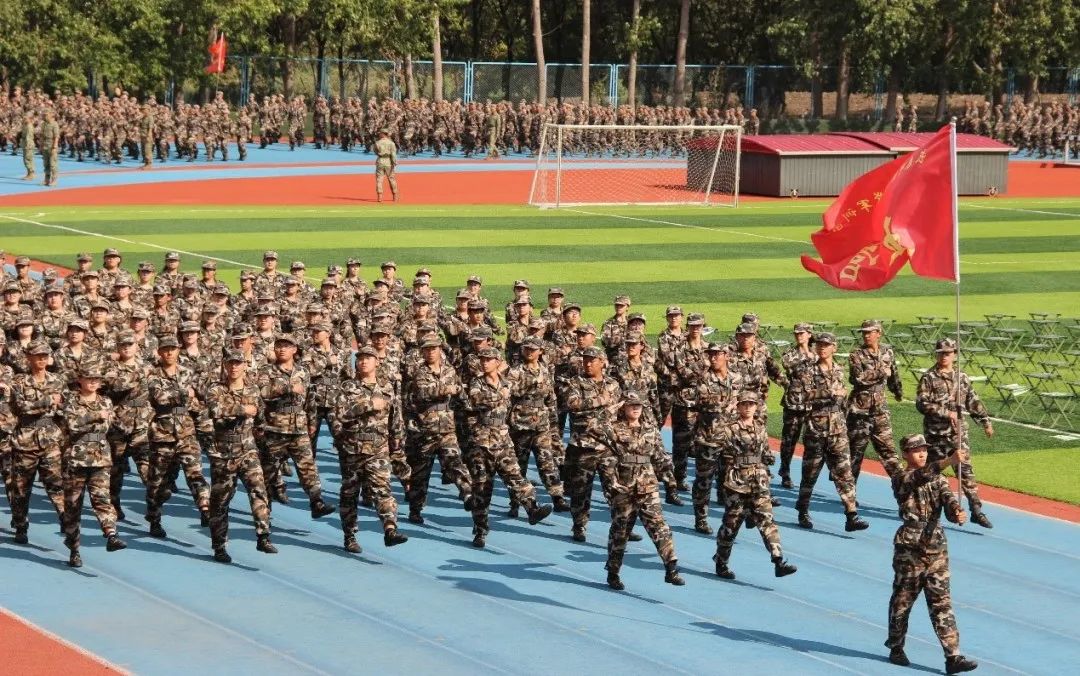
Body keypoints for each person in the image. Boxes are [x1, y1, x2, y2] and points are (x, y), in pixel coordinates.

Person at [885, 433, 978, 674]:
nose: (922, 453)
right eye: (916, 450)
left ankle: (953, 656)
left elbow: (947, 500)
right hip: (910, 550)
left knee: (942, 603)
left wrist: (956, 512)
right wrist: (949, 460)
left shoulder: (938, 478)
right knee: (903, 601)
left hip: (936, 548)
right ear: (905, 454)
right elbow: (920, 476)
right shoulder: (901, 478)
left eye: (924, 449)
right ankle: (896, 645)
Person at [461, 347, 553, 547]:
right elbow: (477, 400)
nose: (484, 363)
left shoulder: (506, 383)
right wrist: (501, 395)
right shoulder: (477, 383)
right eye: (482, 360)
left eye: (488, 360)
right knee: (482, 488)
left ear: (498, 362)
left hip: (503, 440)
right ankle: (480, 530)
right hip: (482, 443)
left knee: (516, 477)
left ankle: (532, 509)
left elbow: (518, 399)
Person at [332, 346, 409, 553]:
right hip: (352, 450)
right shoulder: (347, 387)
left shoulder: (387, 387)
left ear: (377, 362)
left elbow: (396, 418)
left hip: (378, 449)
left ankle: (390, 529)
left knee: (383, 490)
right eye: (360, 358)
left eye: (368, 358)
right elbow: (340, 414)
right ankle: (349, 535)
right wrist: (368, 405)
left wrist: (397, 444)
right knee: (350, 494)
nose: (364, 361)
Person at [605, 391, 684, 590]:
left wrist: (670, 482)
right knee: (620, 532)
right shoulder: (613, 429)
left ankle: (671, 568)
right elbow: (595, 427)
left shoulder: (650, 429)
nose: (635, 408)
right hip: (623, 487)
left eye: (638, 405)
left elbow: (660, 457)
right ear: (623, 407)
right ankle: (613, 572)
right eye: (631, 405)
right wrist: (613, 408)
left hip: (648, 486)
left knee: (660, 526)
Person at [712, 392, 796, 580]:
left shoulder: (760, 428)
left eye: (751, 404)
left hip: (759, 483)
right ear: (738, 407)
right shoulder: (730, 429)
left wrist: (767, 462)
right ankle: (721, 562)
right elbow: (716, 450)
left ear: (756, 407)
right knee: (730, 527)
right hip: (737, 484)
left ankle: (778, 560)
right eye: (744, 404)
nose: (748, 407)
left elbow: (766, 453)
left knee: (767, 521)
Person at [205, 349, 277, 563]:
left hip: (247, 450)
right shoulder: (215, 389)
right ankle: (219, 546)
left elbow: (260, 418)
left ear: (245, 365)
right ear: (225, 366)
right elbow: (215, 410)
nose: (234, 367)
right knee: (220, 502)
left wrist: (263, 439)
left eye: (238, 363)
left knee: (259, 490)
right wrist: (241, 409)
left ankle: (263, 536)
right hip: (222, 453)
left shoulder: (253, 390)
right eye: (231, 363)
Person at [793, 332, 869, 532]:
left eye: (826, 345)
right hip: (815, 430)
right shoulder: (806, 369)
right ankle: (803, 509)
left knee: (845, 473)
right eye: (819, 344)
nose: (822, 348)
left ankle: (851, 515)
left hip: (838, 431)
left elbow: (843, 400)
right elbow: (801, 396)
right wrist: (829, 393)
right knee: (810, 474)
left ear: (834, 347)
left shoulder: (839, 370)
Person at [915, 338, 994, 529]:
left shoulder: (962, 377)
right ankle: (921, 504)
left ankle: (976, 509)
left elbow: (972, 401)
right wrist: (946, 413)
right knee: (931, 472)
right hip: (936, 435)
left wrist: (985, 421)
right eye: (941, 353)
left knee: (966, 471)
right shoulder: (928, 378)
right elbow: (922, 404)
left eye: (948, 353)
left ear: (954, 355)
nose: (944, 356)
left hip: (957, 435)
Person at [61, 365, 127, 567]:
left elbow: (111, 426)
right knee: (73, 506)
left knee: (102, 499)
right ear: (79, 380)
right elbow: (72, 425)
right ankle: (74, 548)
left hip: (100, 458)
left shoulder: (105, 401)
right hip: (77, 458)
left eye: (96, 379)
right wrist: (96, 416)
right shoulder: (71, 400)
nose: (93, 382)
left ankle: (111, 535)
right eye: (89, 378)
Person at [8, 340, 67, 544]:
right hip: (25, 441)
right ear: (28, 358)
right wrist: (48, 401)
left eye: (45, 355)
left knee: (56, 484)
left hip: (50, 439)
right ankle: (20, 525)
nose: (42, 359)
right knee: (21, 488)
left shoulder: (57, 380)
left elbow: (65, 407)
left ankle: (65, 517)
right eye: (37, 356)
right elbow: (21, 407)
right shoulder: (19, 382)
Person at [847, 320, 904, 482]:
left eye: (869, 332)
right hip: (859, 412)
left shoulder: (887, 352)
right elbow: (858, 378)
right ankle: (849, 491)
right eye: (864, 332)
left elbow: (893, 374)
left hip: (880, 411)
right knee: (855, 454)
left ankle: (903, 488)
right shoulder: (856, 354)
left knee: (889, 453)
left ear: (879, 333)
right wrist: (881, 372)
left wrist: (897, 391)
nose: (866, 335)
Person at [374, 128, 399, 202]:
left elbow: (375, 151)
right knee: (391, 179)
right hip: (389, 161)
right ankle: (394, 195)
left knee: (379, 179)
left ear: (382, 134)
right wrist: (394, 162)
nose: (379, 134)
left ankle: (380, 196)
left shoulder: (377, 143)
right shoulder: (391, 143)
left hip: (380, 160)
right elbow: (393, 154)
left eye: (380, 133)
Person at [41, 109, 60, 186]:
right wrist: (41, 145)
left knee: (53, 164)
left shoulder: (54, 124)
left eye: (46, 115)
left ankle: (54, 180)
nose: (44, 116)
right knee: (46, 164)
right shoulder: (43, 124)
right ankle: (47, 179)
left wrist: (54, 147)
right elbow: (42, 136)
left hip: (51, 145)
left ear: (51, 115)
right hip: (45, 145)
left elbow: (56, 136)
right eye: (43, 115)